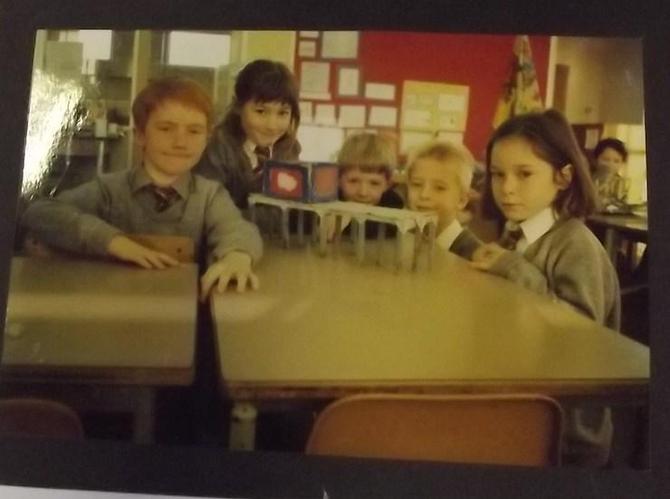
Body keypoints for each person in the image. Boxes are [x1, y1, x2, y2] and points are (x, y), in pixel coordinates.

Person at [21, 76, 262, 300]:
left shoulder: (210, 195)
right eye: (166, 128)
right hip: (114, 306)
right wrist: (113, 241)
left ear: (206, 139)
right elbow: (40, 212)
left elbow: (237, 229)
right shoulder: (109, 189)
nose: (181, 142)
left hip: (183, 312)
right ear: (140, 135)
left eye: (194, 131)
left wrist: (238, 256)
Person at [472, 109, 620, 467]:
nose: (507, 188)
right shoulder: (516, 233)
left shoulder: (576, 244)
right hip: (522, 404)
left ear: (563, 176)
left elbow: (579, 332)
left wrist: (512, 267)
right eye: (498, 174)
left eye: (524, 174)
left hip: (566, 435)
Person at [194, 59, 301, 210]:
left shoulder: (289, 148)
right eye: (261, 111)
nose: (272, 125)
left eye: (282, 113)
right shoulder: (217, 149)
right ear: (238, 106)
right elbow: (208, 210)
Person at [405, 140, 482, 259]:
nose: (424, 195)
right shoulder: (405, 237)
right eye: (417, 184)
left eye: (439, 188)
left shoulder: (475, 254)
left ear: (462, 200)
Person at [335, 132, 404, 238]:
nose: (363, 192)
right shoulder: (329, 198)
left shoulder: (393, 202)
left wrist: (342, 221)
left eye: (374, 183)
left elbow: (383, 231)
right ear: (338, 179)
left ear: (387, 184)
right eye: (353, 181)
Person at [591, 137, 630, 210]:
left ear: (622, 163)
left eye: (616, 161)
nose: (610, 165)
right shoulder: (588, 179)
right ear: (595, 160)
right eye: (605, 159)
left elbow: (623, 204)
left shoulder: (620, 182)